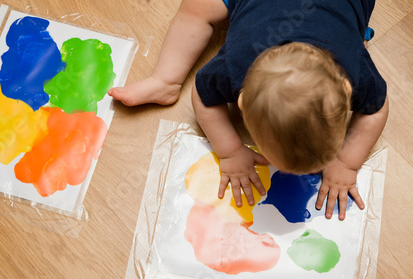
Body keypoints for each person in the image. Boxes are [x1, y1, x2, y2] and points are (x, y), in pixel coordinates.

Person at [108, 0, 388, 220]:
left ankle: (352, 27)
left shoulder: (355, 72)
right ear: (240, 100)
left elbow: (377, 108)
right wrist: (230, 151)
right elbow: (203, 97)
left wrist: (346, 163)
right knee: (196, 7)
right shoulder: (235, 65)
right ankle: (165, 79)